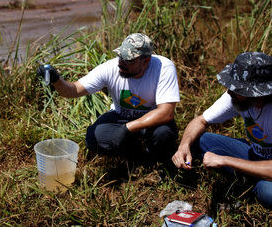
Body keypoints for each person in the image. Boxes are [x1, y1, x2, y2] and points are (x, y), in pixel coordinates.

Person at [37, 33, 180, 163]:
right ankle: (136, 154)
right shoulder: (110, 68)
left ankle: (156, 159)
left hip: (152, 121)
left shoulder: (163, 68)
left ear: (145, 61)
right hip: (120, 116)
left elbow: (166, 112)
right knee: (94, 138)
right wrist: (56, 79)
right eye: (120, 56)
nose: (121, 63)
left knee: (164, 135)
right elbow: (72, 91)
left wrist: (127, 129)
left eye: (128, 60)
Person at [172, 52, 272, 209]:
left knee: (268, 193)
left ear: (256, 92)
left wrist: (225, 160)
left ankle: (248, 185)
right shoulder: (235, 96)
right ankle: (248, 178)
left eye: (238, 89)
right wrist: (184, 146)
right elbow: (200, 121)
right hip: (252, 154)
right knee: (199, 139)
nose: (230, 92)